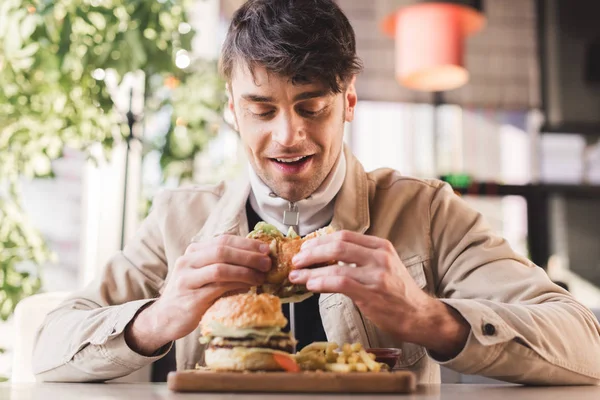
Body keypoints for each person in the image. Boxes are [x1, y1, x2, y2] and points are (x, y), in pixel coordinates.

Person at [33, 0, 600, 384]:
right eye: (261, 109)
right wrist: (158, 318)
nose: (289, 136)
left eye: (312, 107)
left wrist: (430, 317)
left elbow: (585, 340)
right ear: (232, 108)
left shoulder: (427, 213)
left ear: (349, 99)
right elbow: (48, 344)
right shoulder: (179, 220)